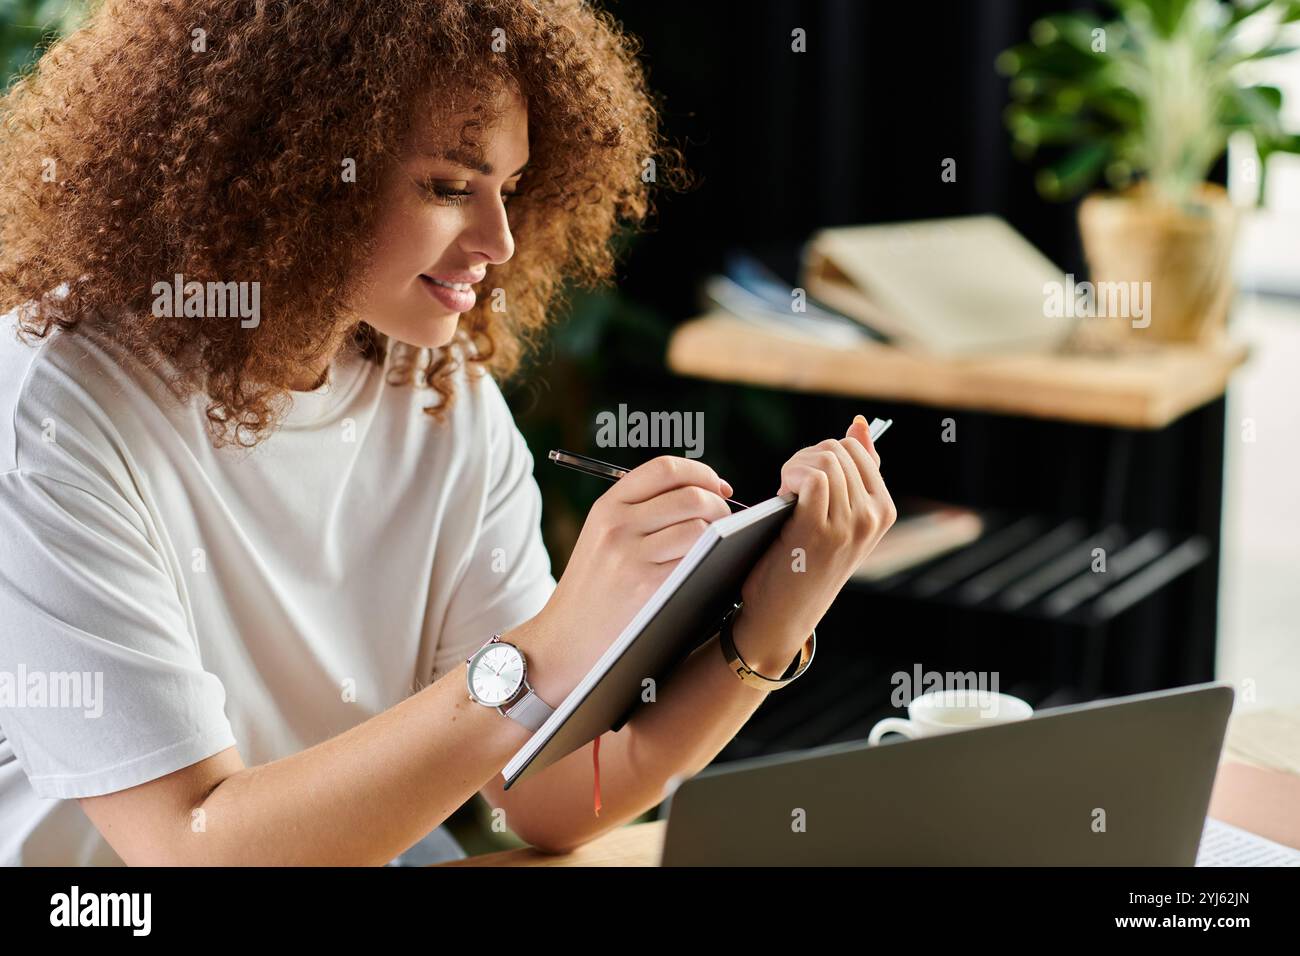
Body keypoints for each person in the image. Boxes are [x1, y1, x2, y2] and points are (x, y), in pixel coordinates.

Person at [0, 0, 895, 865]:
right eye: (447, 186)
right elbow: (191, 846)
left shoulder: (439, 392)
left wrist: (770, 624)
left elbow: (545, 797)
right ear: (288, 164)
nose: (501, 239)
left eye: (509, 188)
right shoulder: (56, 406)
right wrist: (549, 645)